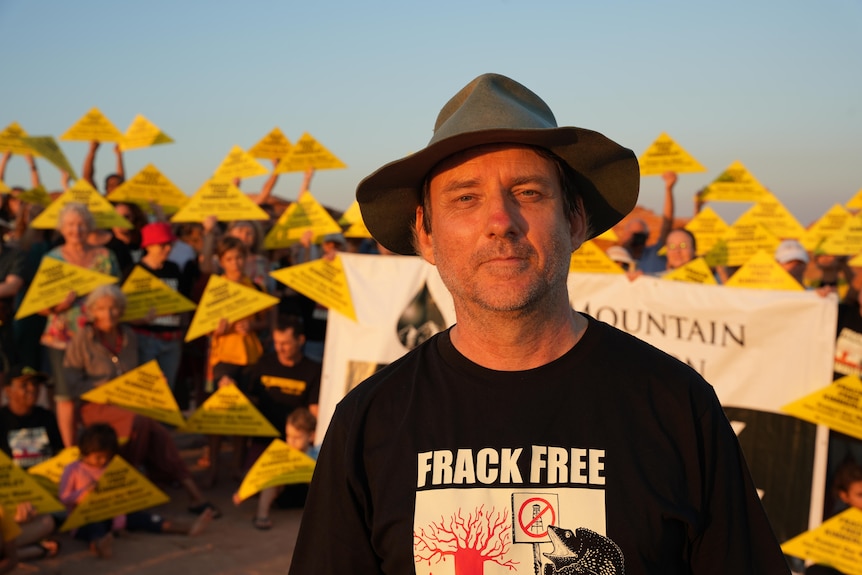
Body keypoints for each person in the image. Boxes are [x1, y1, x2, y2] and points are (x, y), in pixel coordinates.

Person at [288, 73, 789, 574]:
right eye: (465, 197)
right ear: (426, 234)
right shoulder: (368, 421)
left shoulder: (677, 404)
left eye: (527, 193)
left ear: (575, 221)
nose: (500, 220)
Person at [63, 284, 218, 517]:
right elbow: (71, 383)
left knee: (159, 432)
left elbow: (140, 371)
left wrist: (154, 381)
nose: (109, 314)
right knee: (141, 422)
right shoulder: (83, 339)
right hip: (94, 406)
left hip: (128, 403)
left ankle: (194, 493)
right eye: (103, 309)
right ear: (93, 312)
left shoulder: (130, 337)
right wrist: (102, 388)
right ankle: (132, 479)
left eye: (114, 308)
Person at [59, 423, 214, 559]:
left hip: (115, 514)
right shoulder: (73, 470)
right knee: (95, 529)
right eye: (98, 457)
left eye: (107, 457)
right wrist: (84, 494)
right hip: (84, 519)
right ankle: (100, 546)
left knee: (147, 519)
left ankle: (187, 528)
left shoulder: (112, 467)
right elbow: (64, 497)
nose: (103, 461)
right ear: (85, 452)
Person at [38, 202, 121, 447]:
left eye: (82, 224)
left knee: (98, 394)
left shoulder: (106, 257)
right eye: (71, 224)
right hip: (62, 338)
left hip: (99, 338)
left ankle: (98, 448)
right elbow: (39, 306)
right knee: (64, 396)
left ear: (90, 227)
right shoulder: (51, 259)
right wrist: (59, 306)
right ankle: (70, 452)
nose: (77, 229)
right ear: (62, 228)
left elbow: (117, 296)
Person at [0, 366, 63, 563]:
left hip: (42, 498)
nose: (32, 389)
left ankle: (14, 551)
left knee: (49, 521)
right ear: (7, 391)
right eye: (24, 385)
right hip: (8, 498)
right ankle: (31, 550)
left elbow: (60, 456)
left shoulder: (47, 417)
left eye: (35, 385)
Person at [235, 407, 319, 530]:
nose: (291, 441)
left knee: (317, 477)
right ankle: (262, 515)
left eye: (297, 437)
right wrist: (243, 492)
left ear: (311, 436)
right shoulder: (280, 453)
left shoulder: (317, 454)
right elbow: (261, 472)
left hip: (306, 497)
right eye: (288, 436)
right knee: (271, 477)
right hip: (282, 496)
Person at [129, 222, 186, 393]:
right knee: (147, 390)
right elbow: (122, 310)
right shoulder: (134, 271)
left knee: (167, 390)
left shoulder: (174, 269)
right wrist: (141, 319)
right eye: (163, 245)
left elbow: (183, 301)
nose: (168, 249)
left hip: (172, 339)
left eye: (170, 244)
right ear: (149, 246)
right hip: (145, 338)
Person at [616, 170, 677, 273]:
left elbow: (667, 223)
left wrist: (668, 189)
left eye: (640, 235)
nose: (637, 238)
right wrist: (624, 245)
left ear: (647, 236)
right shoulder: (617, 257)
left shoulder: (656, 254)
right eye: (633, 234)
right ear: (625, 234)